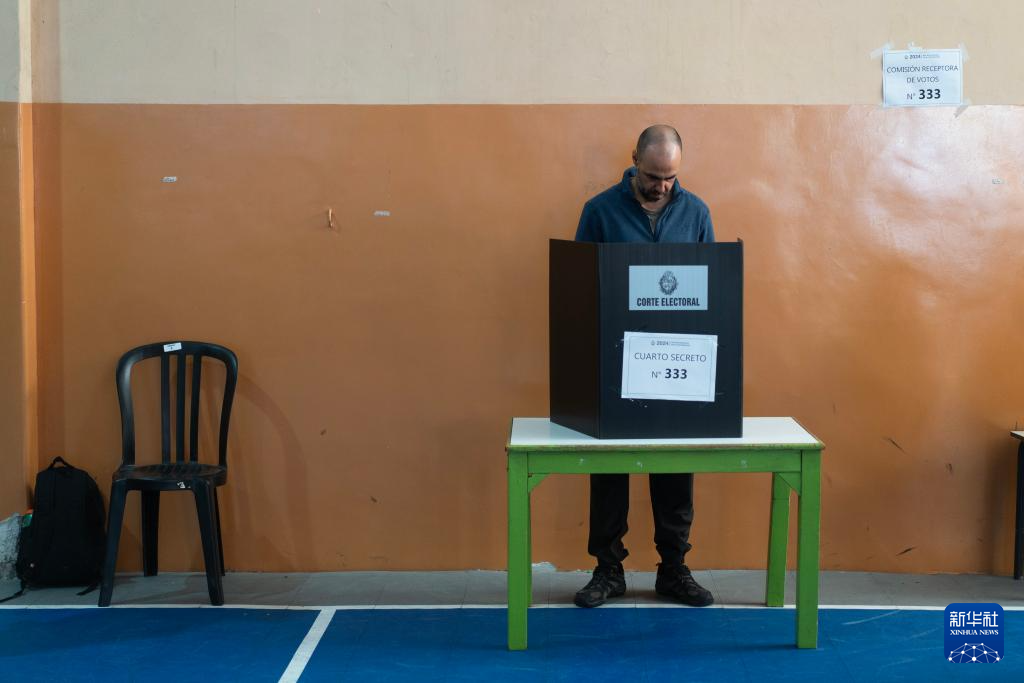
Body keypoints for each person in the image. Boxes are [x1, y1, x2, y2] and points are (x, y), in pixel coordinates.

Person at [572, 124, 715, 608]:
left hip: (675, 359)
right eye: (653, 176)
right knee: (610, 467)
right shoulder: (599, 211)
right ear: (634, 158)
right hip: (615, 360)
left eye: (670, 177)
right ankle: (607, 570)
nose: (661, 186)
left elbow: (711, 284)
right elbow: (579, 284)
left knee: (675, 465)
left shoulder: (696, 213)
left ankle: (673, 569)